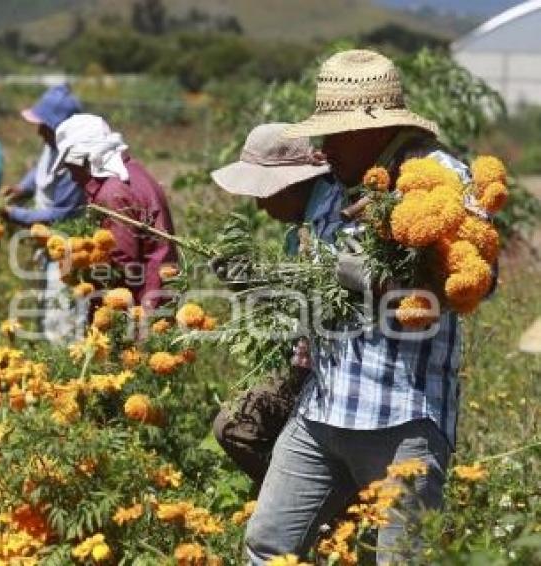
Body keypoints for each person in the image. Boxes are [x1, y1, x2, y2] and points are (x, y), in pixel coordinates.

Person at [244, 49, 489, 565]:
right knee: (267, 545)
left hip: (402, 415)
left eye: (334, 133)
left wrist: (380, 281)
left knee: (402, 559)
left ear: (370, 130)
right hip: (323, 407)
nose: (323, 145)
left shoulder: (438, 176)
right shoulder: (334, 184)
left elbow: (479, 283)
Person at [208, 123, 331, 485]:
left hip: (328, 364)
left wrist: (260, 283)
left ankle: (316, 506)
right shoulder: (300, 224)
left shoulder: (330, 219)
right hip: (305, 354)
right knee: (234, 427)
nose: (259, 205)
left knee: (237, 427)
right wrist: (249, 284)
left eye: (263, 192)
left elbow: (318, 299)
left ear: (290, 183)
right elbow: (290, 301)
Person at [52, 113, 176, 309]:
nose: (73, 178)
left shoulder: (112, 194)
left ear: (84, 161)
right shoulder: (134, 172)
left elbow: (118, 269)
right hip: (158, 299)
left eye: (71, 168)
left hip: (138, 309)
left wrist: (77, 265)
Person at [2, 84, 86, 226]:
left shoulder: (74, 163)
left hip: (61, 237)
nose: (39, 132)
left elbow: (62, 214)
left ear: (61, 130)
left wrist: (16, 214)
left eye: (45, 126)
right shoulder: (53, 145)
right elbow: (42, 170)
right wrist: (22, 187)